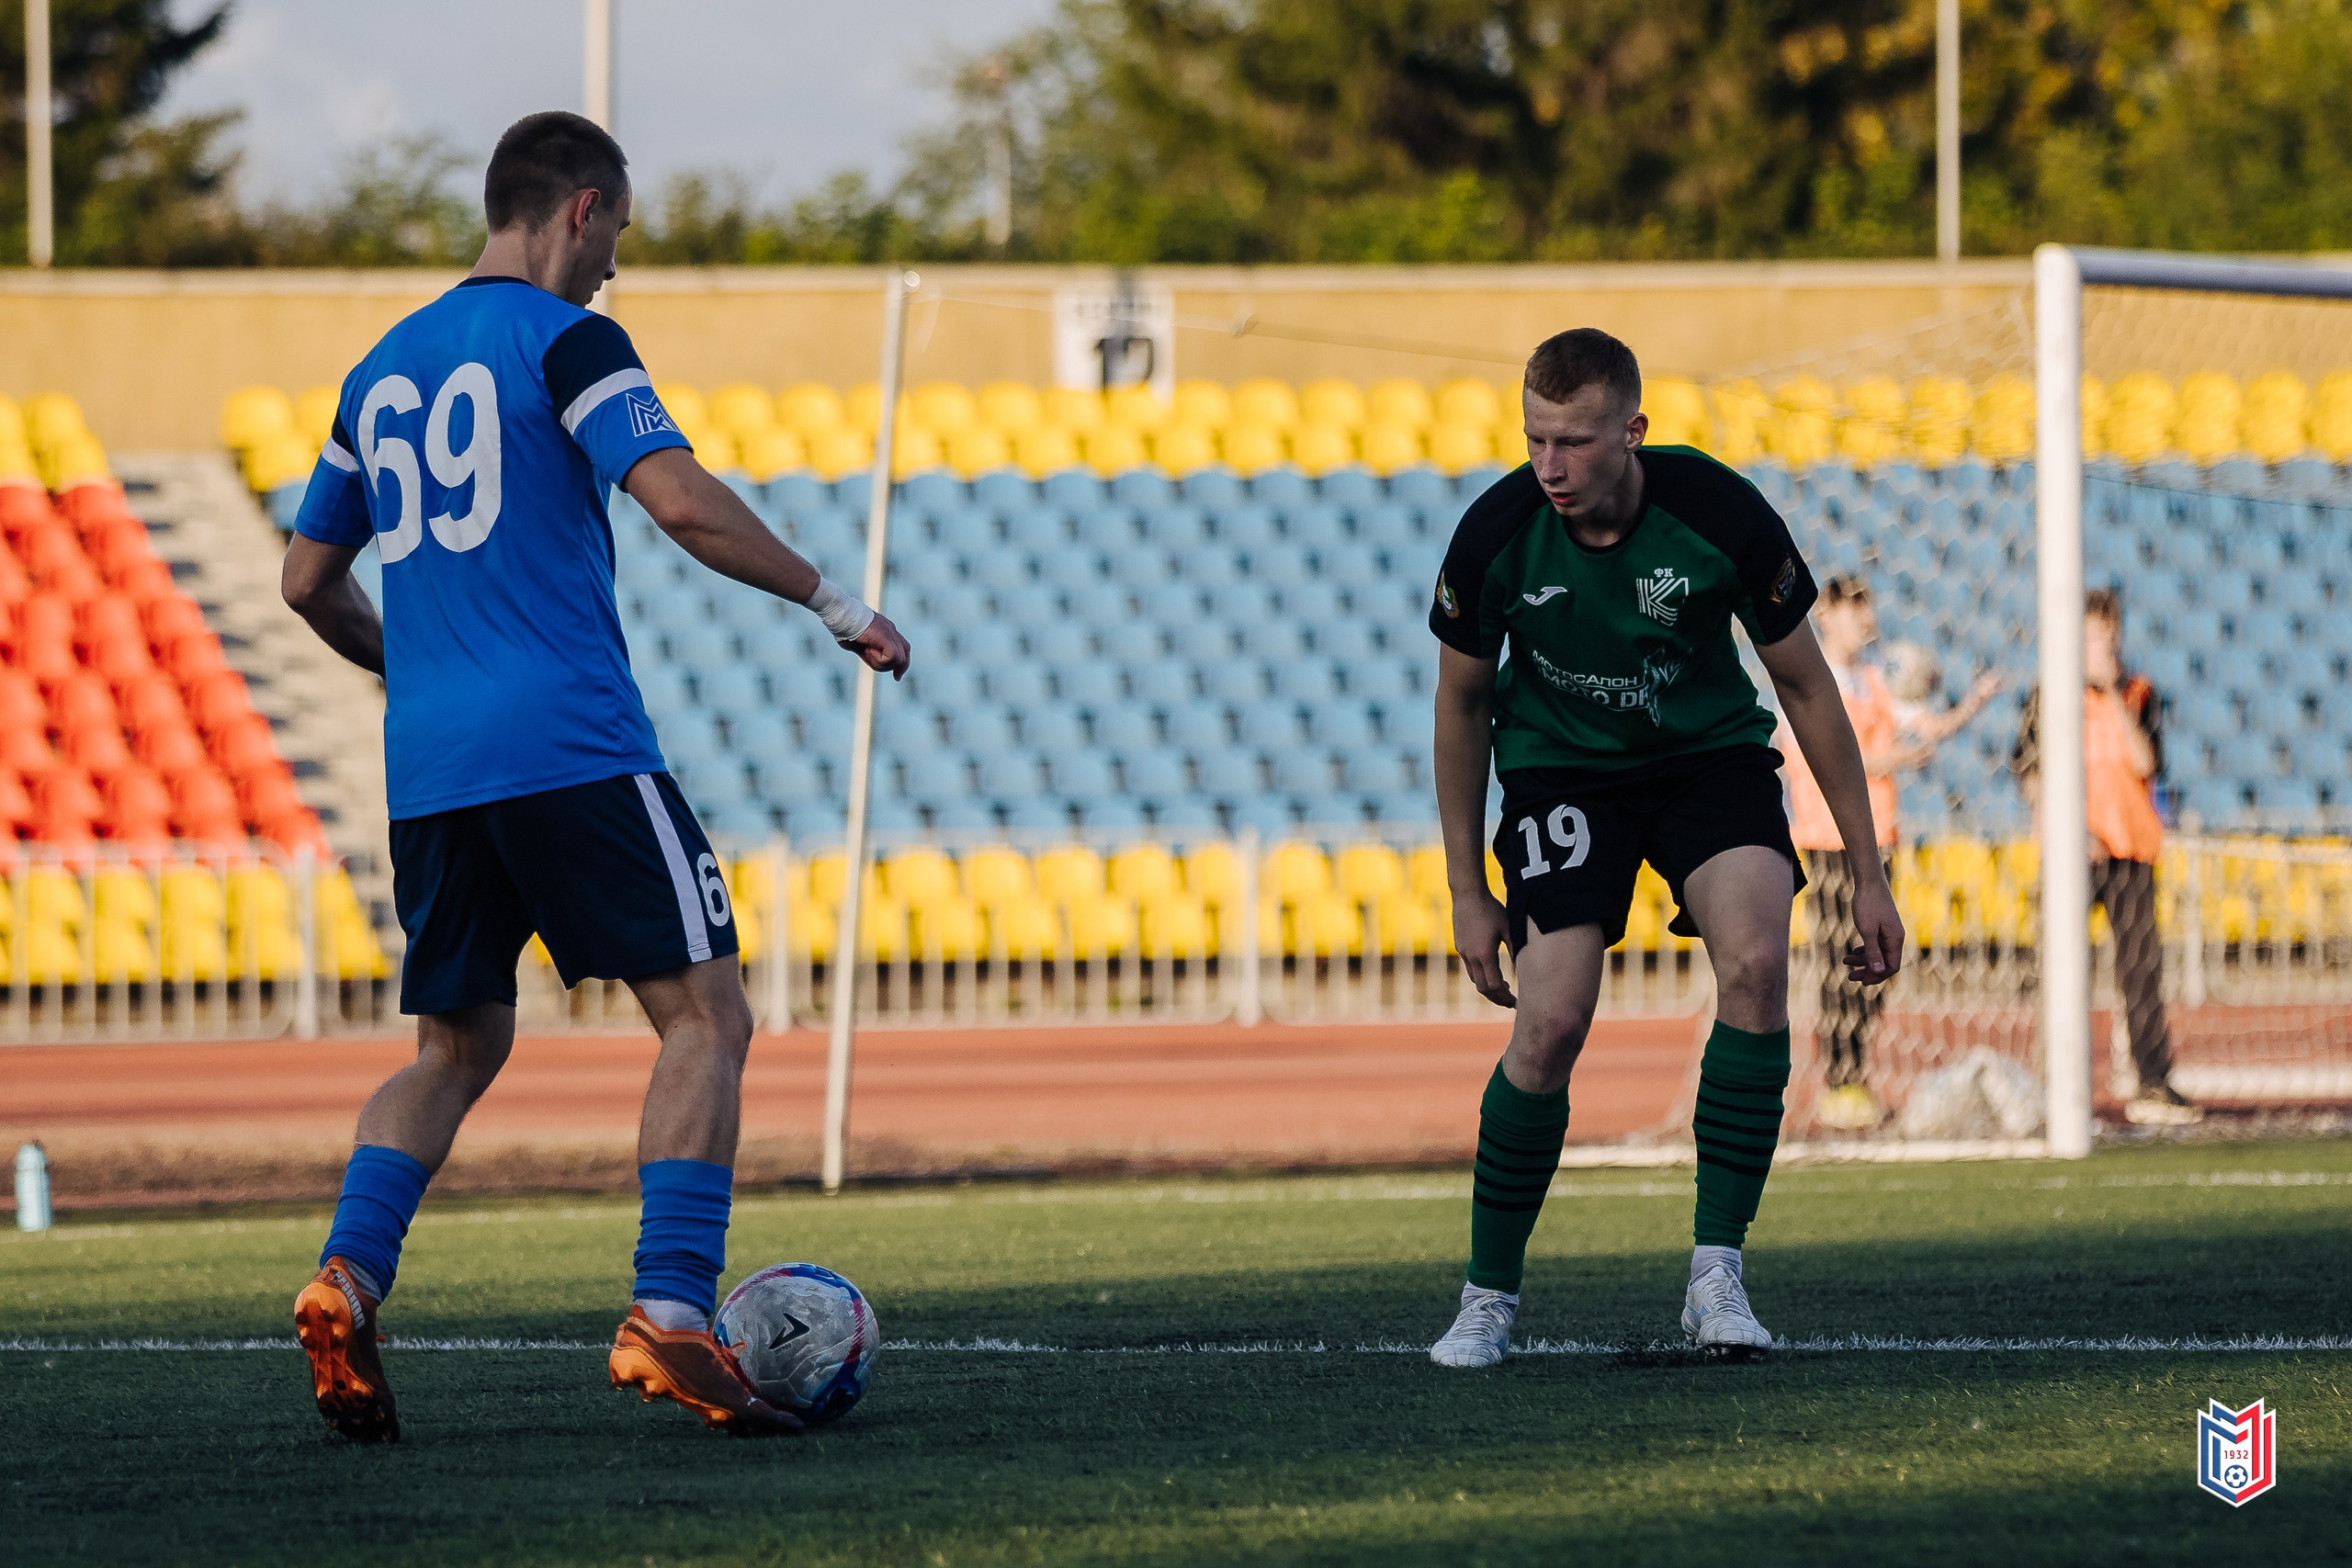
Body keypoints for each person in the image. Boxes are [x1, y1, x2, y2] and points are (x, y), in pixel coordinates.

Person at [277, 111, 910, 1442]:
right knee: (706, 1015)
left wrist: (420, 665)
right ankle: (673, 1310)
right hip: (568, 742)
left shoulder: (377, 371)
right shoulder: (571, 340)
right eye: (617, 228)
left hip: (433, 764)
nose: (618, 261)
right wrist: (837, 601)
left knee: (455, 1041)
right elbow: (677, 500)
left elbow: (305, 579)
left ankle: (347, 1269)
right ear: (579, 205)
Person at [1425, 329, 1903, 1368]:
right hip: (1561, 772)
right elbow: (1460, 708)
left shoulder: (1719, 513)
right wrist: (1467, 889)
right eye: (1535, 439)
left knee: (1759, 961)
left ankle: (1716, 1275)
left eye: (1576, 442)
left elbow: (1808, 688)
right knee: (1549, 1022)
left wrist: (1866, 871)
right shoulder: (1495, 534)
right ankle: (1486, 1296)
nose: (1550, 465)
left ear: (1632, 433)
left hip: (1706, 763)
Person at [1780, 579, 2000, 1131]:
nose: (1867, 620)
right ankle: (1840, 1081)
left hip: (1880, 839)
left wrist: (1971, 704)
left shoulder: (1877, 682)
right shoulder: (1810, 681)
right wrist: (1895, 760)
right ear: (1827, 615)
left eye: (1869, 610)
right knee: (1838, 961)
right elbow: (1829, 754)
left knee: (1877, 960)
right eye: (1856, 610)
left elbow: (1926, 726)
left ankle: (1857, 1075)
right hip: (1828, 838)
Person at [2010, 589, 2199, 1127]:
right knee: (2060, 968)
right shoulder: (2047, 694)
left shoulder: (2138, 692)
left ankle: (2153, 1083)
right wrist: (2069, 826)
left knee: (2141, 970)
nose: (2104, 644)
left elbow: (2146, 764)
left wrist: (2113, 695)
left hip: (2131, 849)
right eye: (2093, 635)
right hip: (2072, 854)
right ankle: (2054, 1084)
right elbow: (2029, 775)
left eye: (2109, 635)